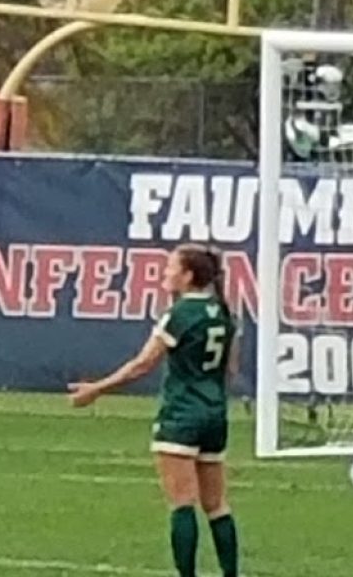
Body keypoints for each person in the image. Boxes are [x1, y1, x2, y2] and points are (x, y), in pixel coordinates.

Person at [67, 244, 240, 577]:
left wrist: (96, 389)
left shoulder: (178, 315)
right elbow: (230, 369)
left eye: (170, 268)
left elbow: (142, 364)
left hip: (181, 415)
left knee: (182, 502)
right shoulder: (223, 312)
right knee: (216, 505)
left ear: (188, 276)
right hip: (215, 414)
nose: (165, 274)